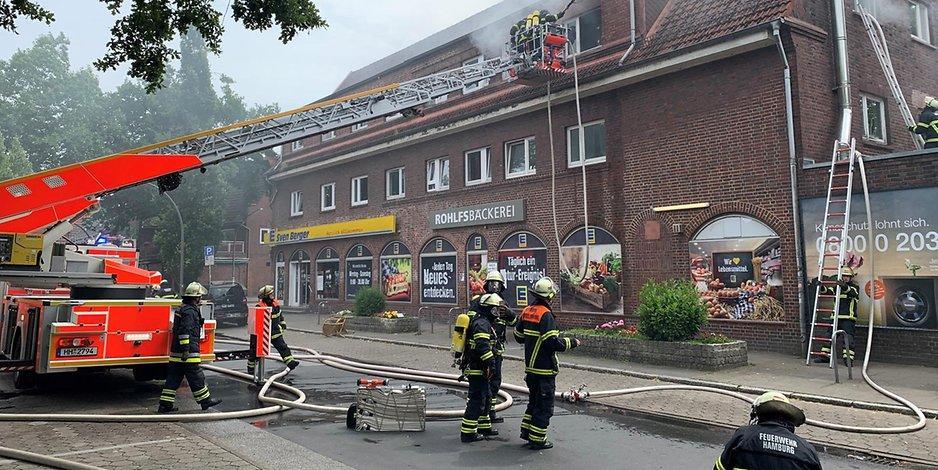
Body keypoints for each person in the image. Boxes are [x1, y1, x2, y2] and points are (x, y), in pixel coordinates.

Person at [513, 277, 580, 450]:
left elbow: (518, 337)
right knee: (544, 407)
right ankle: (537, 439)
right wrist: (571, 342)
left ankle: (527, 433)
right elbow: (552, 342)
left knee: (534, 402)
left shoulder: (527, 311)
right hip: (544, 370)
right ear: (549, 296)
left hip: (531, 369)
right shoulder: (546, 315)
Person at [714, 391, 821, 470]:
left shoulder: (743, 437)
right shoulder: (807, 451)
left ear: (757, 414)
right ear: (790, 418)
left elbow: (719, 468)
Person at [158, 282, 222, 413]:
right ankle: (205, 401)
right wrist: (186, 349)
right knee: (196, 376)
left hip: (176, 352)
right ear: (195, 297)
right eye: (200, 297)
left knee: (173, 379)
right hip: (187, 353)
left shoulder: (183, 309)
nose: (201, 299)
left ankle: (165, 405)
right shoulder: (190, 312)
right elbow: (184, 330)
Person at [459, 293, 502, 443]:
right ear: (487, 309)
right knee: (476, 400)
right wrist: (491, 363)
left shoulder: (483, 321)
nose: (496, 313)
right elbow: (482, 347)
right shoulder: (482, 323)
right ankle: (468, 433)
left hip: (481, 368)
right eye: (494, 310)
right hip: (478, 368)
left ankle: (484, 427)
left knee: (487, 397)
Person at [249, 285, 300, 374]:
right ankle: (251, 369)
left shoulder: (275, 304)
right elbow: (255, 321)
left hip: (275, 331)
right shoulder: (259, 306)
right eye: (270, 294)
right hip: (262, 334)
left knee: (283, 347)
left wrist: (283, 324)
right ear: (265, 296)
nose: (272, 296)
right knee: (256, 352)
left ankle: (291, 363)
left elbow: (280, 315)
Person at [819, 267, 859, 365]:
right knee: (829, 337)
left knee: (848, 339)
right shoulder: (837, 287)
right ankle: (825, 357)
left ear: (851, 278)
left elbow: (852, 293)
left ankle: (848, 360)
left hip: (848, 319)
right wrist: (821, 286)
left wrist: (844, 286)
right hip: (835, 317)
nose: (845, 278)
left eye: (847, 276)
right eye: (844, 276)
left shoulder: (855, 287)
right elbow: (828, 292)